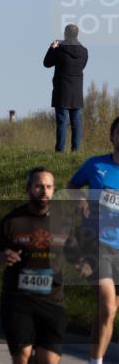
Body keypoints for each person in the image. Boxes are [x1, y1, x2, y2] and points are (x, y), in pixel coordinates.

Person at [0, 167, 88, 364]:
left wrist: (82, 265)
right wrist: (1, 256)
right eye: (39, 186)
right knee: (23, 356)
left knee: (48, 360)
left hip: (52, 301)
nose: (44, 191)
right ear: (28, 189)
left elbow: (75, 253)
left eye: (49, 187)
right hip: (18, 301)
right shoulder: (12, 221)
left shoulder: (63, 222)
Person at [67, 116, 119, 364]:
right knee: (107, 306)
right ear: (112, 137)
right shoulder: (95, 165)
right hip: (96, 243)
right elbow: (74, 184)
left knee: (108, 313)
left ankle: (93, 359)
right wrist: (79, 199)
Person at [44, 24, 89, 152]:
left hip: (62, 90)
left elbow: (46, 63)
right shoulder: (84, 51)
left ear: (65, 34)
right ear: (77, 34)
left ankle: (60, 150)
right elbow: (82, 66)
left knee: (62, 122)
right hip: (76, 91)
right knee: (76, 123)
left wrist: (52, 48)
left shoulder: (59, 49)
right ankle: (75, 150)